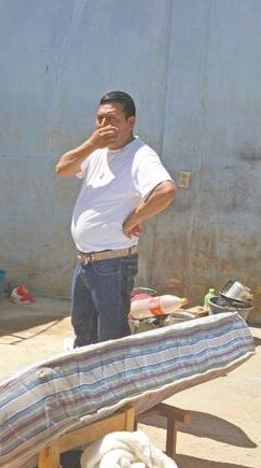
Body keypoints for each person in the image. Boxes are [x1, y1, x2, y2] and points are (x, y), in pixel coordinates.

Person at [55, 91, 177, 347]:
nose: (104, 126)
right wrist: (92, 144)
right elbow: (62, 168)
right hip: (86, 261)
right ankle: (87, 384)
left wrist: (134, 217)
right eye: (100, 119)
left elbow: (165, 191)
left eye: (112, 119)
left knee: (111, 339)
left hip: (112, 263)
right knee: (83, 333)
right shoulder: (97, 150)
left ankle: (113, 384)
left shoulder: (140, 156)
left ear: (130, 122)